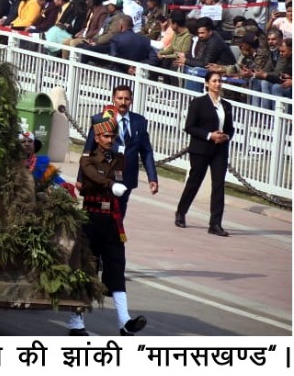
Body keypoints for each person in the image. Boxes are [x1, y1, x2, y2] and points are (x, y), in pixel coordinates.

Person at [65, 109, 148, 337]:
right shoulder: (86, 161)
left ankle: (125, 322)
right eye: (106, 136)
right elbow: (96, 176)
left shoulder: (119, 159)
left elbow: (114, 173)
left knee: (116, 269)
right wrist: (111, 185)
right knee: (86, 271)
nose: (110, 140)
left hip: (112, 221)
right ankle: (76, 322)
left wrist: (113, 183)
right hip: (91, 221)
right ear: (97, 137)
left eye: (112, 136)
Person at [82, 85, 159, 215]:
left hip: (127, 176)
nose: (123, 102)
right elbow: (88, 150)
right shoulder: (101, 119)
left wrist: (152, 177)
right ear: (113, 99)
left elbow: (146, 151)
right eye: (120, 98)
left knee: (119, 212)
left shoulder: (139, 122)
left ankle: (115, 234)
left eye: (127, 99)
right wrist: (80, 178)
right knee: (101, 210)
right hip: (104, 174)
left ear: (131, 100)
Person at [175, 71, 234, 235]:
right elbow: (190, 127)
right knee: (195, 181)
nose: (217, 84)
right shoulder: (198, 103)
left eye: (219, 81)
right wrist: (209, 135)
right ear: (207, 83)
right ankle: (181, 212)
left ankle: (215, 223)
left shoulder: (226, 105)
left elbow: (230, 128)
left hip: (220, 150)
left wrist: (226, 136)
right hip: (201, 149)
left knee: (218, 185)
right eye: (214, 81)